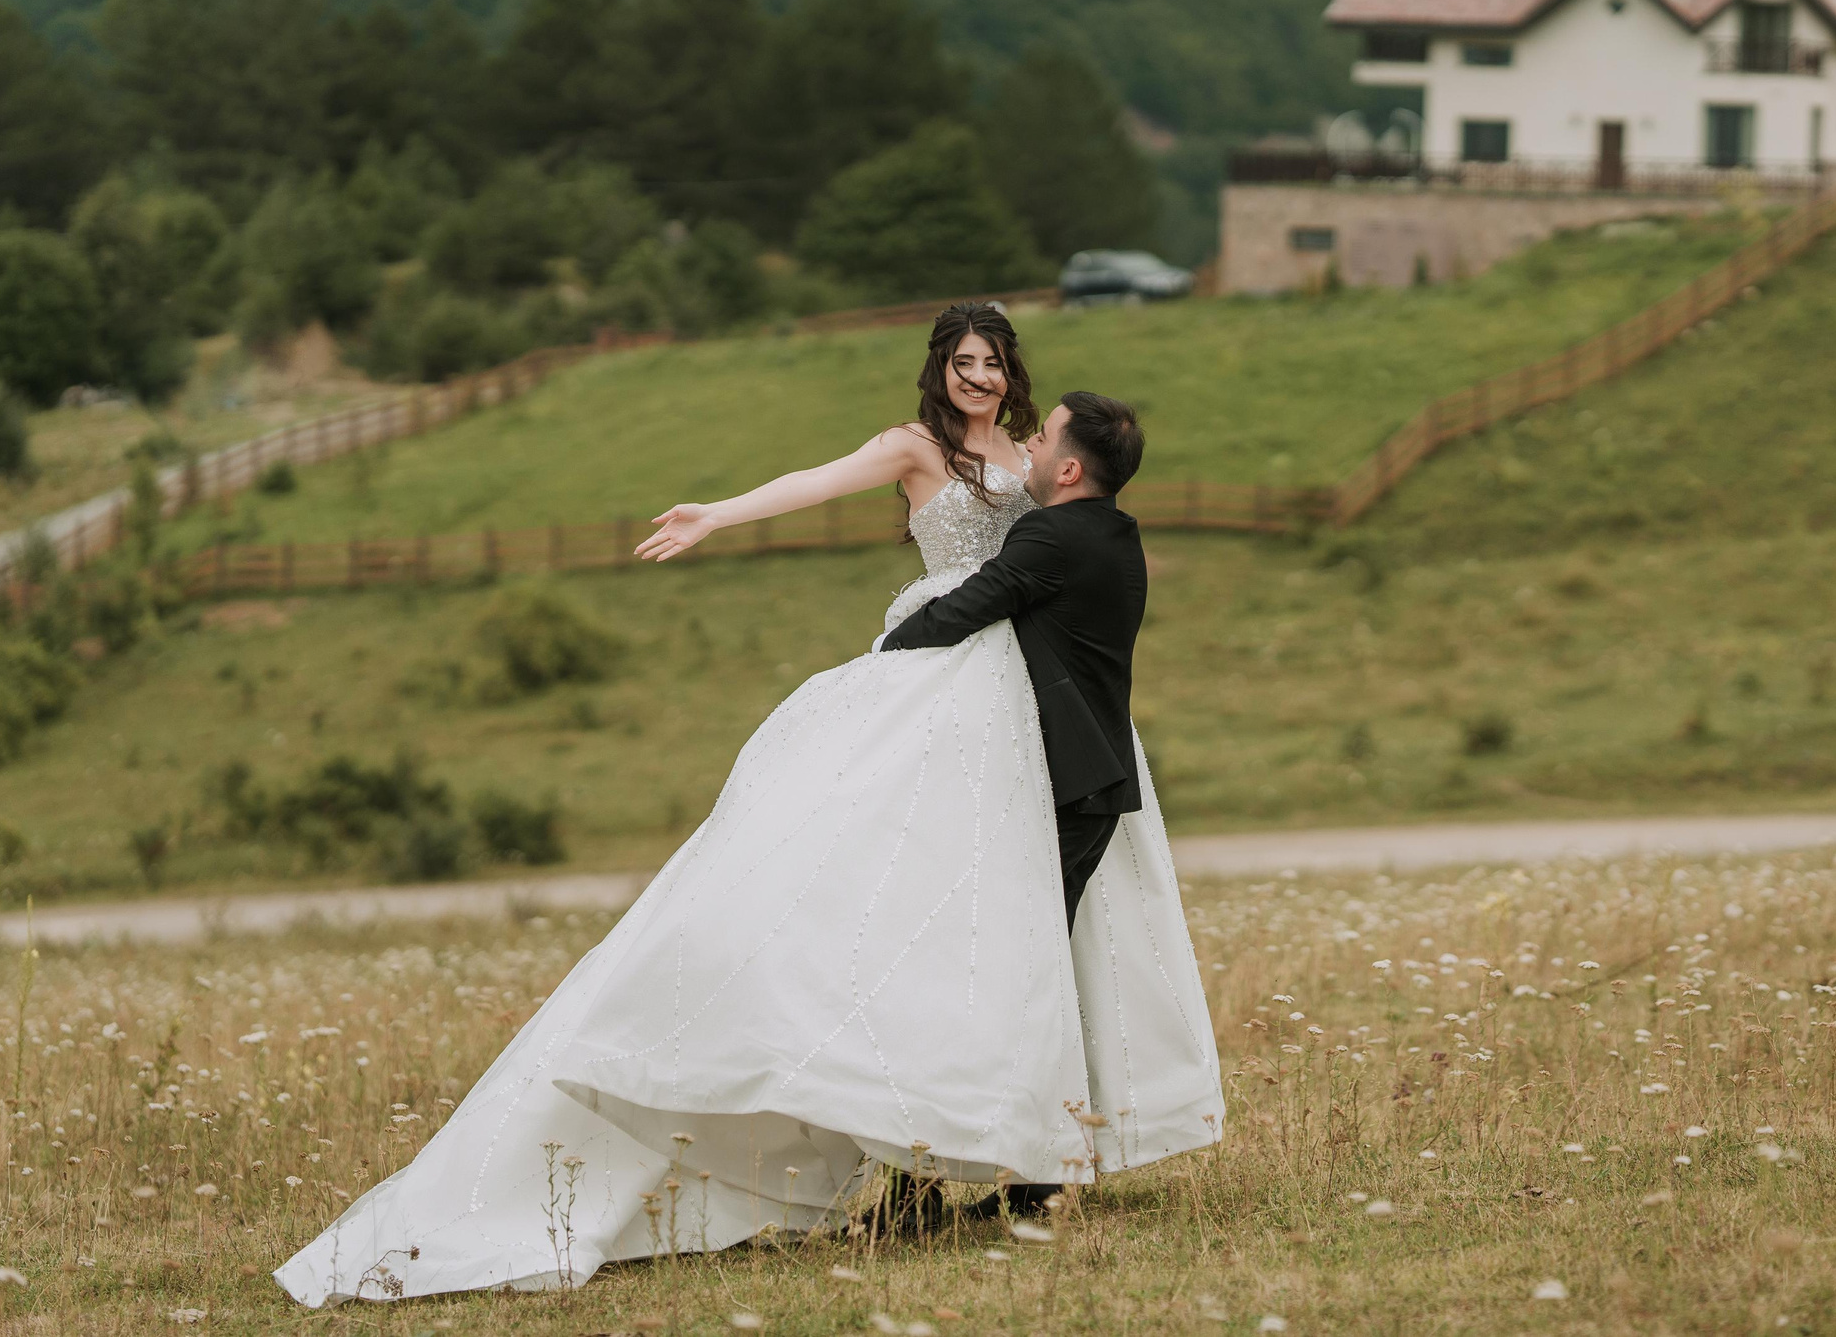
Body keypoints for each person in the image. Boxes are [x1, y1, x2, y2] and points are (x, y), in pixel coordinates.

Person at [274, 304, 1223, 1306]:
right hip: (943, 671)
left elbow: (1051, 568)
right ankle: (912, 1138)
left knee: (1000, 932)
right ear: (938, 370)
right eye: (962, 361)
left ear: (1018, 382)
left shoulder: (1040, 466)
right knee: (890, 899)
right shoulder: (918, 448)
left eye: (992, 361)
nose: (978, 377)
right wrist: (718, 515)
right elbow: (816, 482)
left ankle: (993, 1153)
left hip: (1018, 701)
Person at [875, 389, 1148, 1218]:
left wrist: (878, 663)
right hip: (1089, 785)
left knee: (988, 975)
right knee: (1021, 975)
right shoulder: (1116, 532)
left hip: (1060, 788)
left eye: (1045, 436)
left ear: (1068, 469)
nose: (1027, 443)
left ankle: (965, 1180)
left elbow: (964, 609)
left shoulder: (1049, 537)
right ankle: (1010, 1175)